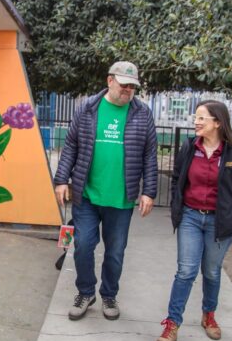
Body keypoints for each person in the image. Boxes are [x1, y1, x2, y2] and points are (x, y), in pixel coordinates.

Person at [54, 61, 158, 321]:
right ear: (109, 80)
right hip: (86, 195)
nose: (128, 91)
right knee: (84, 245)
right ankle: (86, 292)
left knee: (115, 251)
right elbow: (71, 146)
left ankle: (109, 294)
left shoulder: (143, 114)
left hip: (121, 199)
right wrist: (61, 179)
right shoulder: (87, 108)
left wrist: (150, 191)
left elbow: (150, 155)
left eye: (132, 87)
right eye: (124, 85)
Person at [156, 100, 232, 341]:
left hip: (220, 222)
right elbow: (177, 179)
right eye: (196, 117)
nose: (196, 122)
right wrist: (177, 206)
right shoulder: (189, 147)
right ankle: (172, 324)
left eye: (202, 118)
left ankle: (208, 315)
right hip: (191, 217)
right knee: (186, 271)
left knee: (212, 271)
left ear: (218, 122)